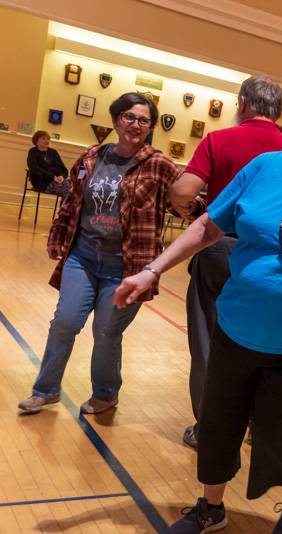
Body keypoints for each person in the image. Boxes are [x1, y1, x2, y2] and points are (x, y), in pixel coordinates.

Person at [114, 75, 282, 534]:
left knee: (280, 439)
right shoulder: (266, 167)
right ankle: (210, 508)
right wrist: (152, 269)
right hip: (238, 325)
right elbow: (208, 226)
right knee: (218, 422)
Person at [17, 93, 180, 415]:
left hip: (127, 266)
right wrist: (57, 236)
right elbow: (72, 203)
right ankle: (45, 390)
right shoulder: (92, 156)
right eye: (129, 117)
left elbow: (183, 202)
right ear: (117, 119)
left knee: (106, 331)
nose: (136, 125)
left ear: (150, 127)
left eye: (144, 120)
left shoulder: (159, 164)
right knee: (64, 322)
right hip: (83, 257)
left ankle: (106, 393)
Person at [169, 74, 282, 449]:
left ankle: (211, 428)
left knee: (209, 340)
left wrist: (191, 209)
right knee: (266, 344)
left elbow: (183, 191)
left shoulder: (219, 139)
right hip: (273, 257)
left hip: (220, 247)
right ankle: (260, 427)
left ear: (242, 104)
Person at [27, 130, 71, 199]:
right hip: (41, 182)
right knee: (69, 190)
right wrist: (53, 177)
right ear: (36, 141)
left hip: (59, 182)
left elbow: (64, 170)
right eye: (43, 138)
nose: (47, 141)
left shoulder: (53, 152)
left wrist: (62, 177)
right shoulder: (33, 152)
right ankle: (65, 209)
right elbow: (34, 168)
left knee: (75, 187)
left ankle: (65, 209)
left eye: (48, 139)